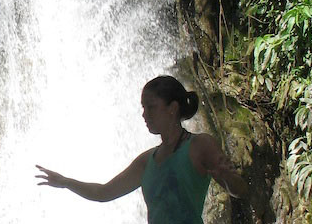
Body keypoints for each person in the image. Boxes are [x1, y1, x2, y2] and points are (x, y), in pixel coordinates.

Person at [35, 75, 247, 224]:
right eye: (143, 107)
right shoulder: (147, 161)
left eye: (151, 107)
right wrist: (65, 182)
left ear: (172, 108)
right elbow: (103, 193)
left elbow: (240, 191)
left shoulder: (200, 145)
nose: (144, 114)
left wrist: (227, 178)